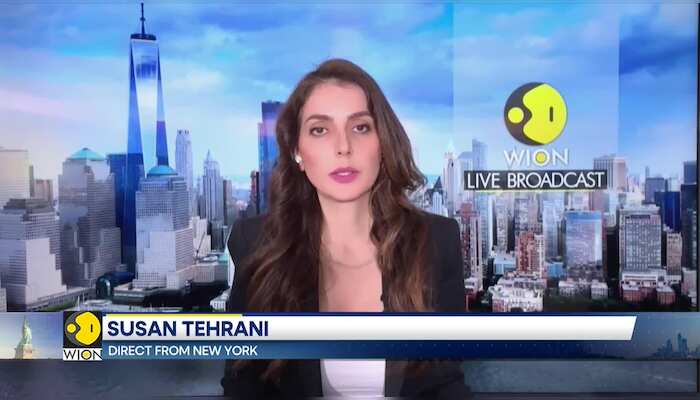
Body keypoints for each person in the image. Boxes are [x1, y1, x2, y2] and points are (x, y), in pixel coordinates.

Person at [221, 58, 471, 399]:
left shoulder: (435, 241)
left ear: (383, 144)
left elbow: (444, 382)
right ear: (297, 151)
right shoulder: (256, 244)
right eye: (320, 130)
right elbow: (243, 383)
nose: (343, 147)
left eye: (361, 127)